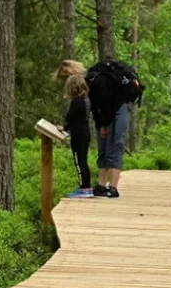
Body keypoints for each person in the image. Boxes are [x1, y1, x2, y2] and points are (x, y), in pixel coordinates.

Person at [54, 59, 133, 198]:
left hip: (119, 109)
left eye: (65, 79)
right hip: (105, 116)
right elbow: (96, 109)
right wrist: (101, 125)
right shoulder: (87, 87)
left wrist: (104, 124)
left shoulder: (96, 82)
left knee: (115, 145)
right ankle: (101, 186)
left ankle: (113, 188)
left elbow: (106, 103)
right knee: (103, 148)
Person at [59, 74, 94, 198]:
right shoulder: (87, 100)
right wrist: (65, 128)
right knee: (84, 161)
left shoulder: (76, 101)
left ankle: (84, 188)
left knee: (79, 162)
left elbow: (70, 117)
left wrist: (64, 127)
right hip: (85, 133)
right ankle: (87, 186)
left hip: (78, 136)